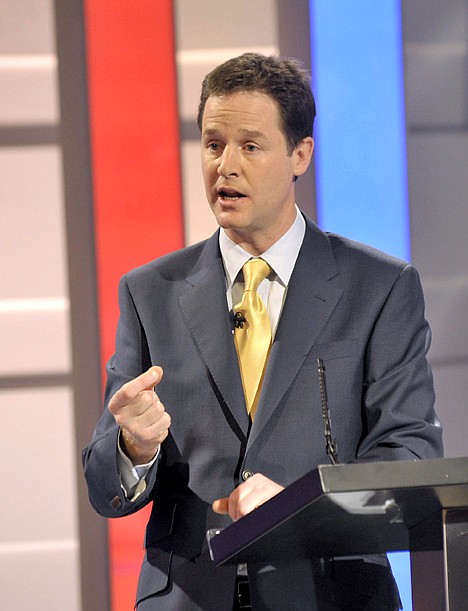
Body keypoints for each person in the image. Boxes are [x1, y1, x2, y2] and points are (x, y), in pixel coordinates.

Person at [82, 53, 443, 610]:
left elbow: (411, 455)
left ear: (300, 155)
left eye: (250, 146)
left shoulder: (380, 287)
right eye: (212, 144)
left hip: (331, 593)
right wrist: (133, 445)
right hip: (189, 596)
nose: (225, 166)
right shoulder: (149, 291)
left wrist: (305, 506)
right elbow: (106, 490)